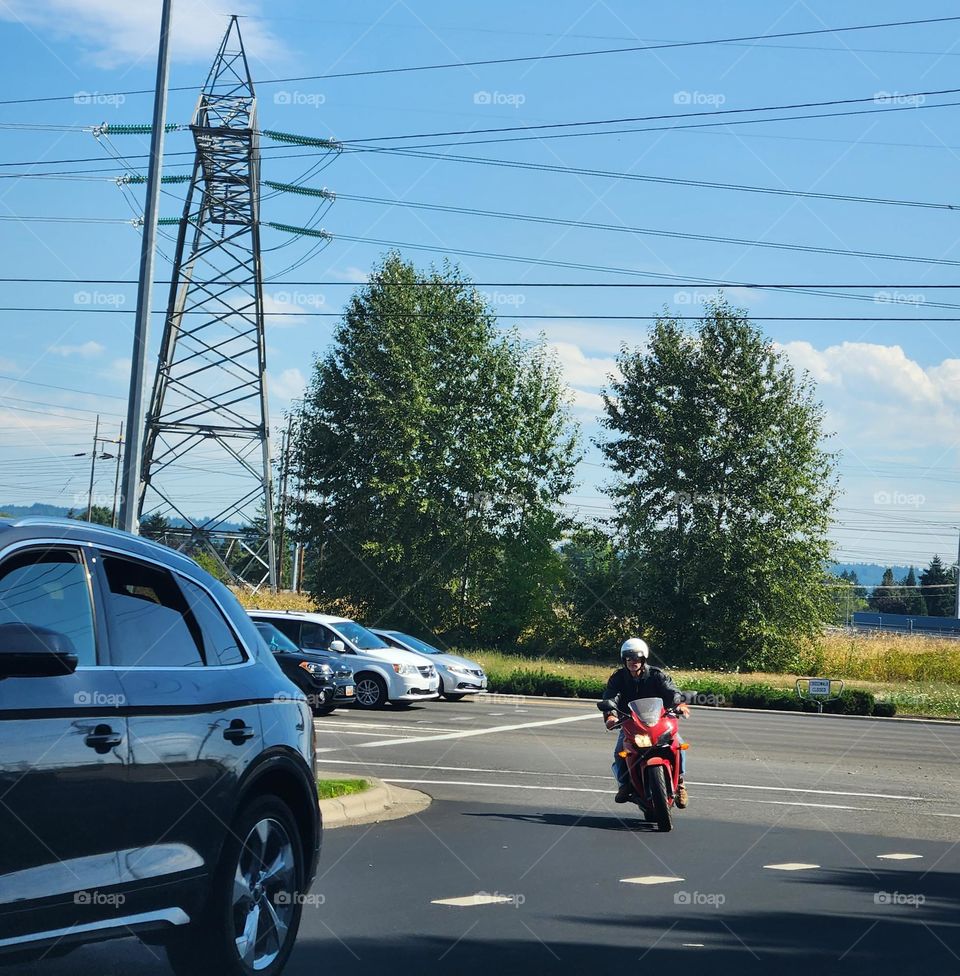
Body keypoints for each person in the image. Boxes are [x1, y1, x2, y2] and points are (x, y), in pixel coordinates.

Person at [602, 637, 689, 806]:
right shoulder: (618, 678)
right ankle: (624, 784)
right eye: (629, 658)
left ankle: (680, 783)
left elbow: (671, 691)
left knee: (678, 744)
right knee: (620, 751)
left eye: (637, 658)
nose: (633, 662)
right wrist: (611, 716)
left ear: (643, 659)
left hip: (659, 720)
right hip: (630, 723)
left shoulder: (656, 675)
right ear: (624, 659)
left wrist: (679, 704)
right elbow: (610, 697)